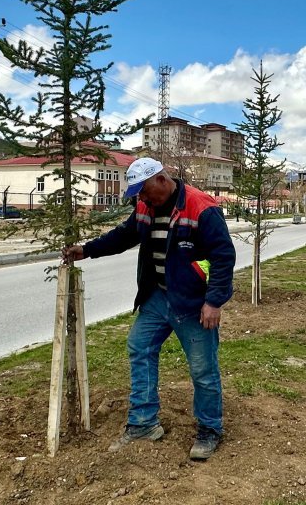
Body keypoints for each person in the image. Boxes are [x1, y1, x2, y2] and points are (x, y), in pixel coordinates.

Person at [62, 157, 235, 461]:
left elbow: (223, 256)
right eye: (137, 194)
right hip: (158, 297)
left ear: (160, 180)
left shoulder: (200, 207)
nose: (140, 198)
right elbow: (125, 235)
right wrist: (87, 250)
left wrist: (214, 302)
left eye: (142, 191)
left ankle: (210, 429)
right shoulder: (145, 206)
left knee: (202, 368)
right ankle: (143, 423)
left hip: (193, 303)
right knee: (139, 346)